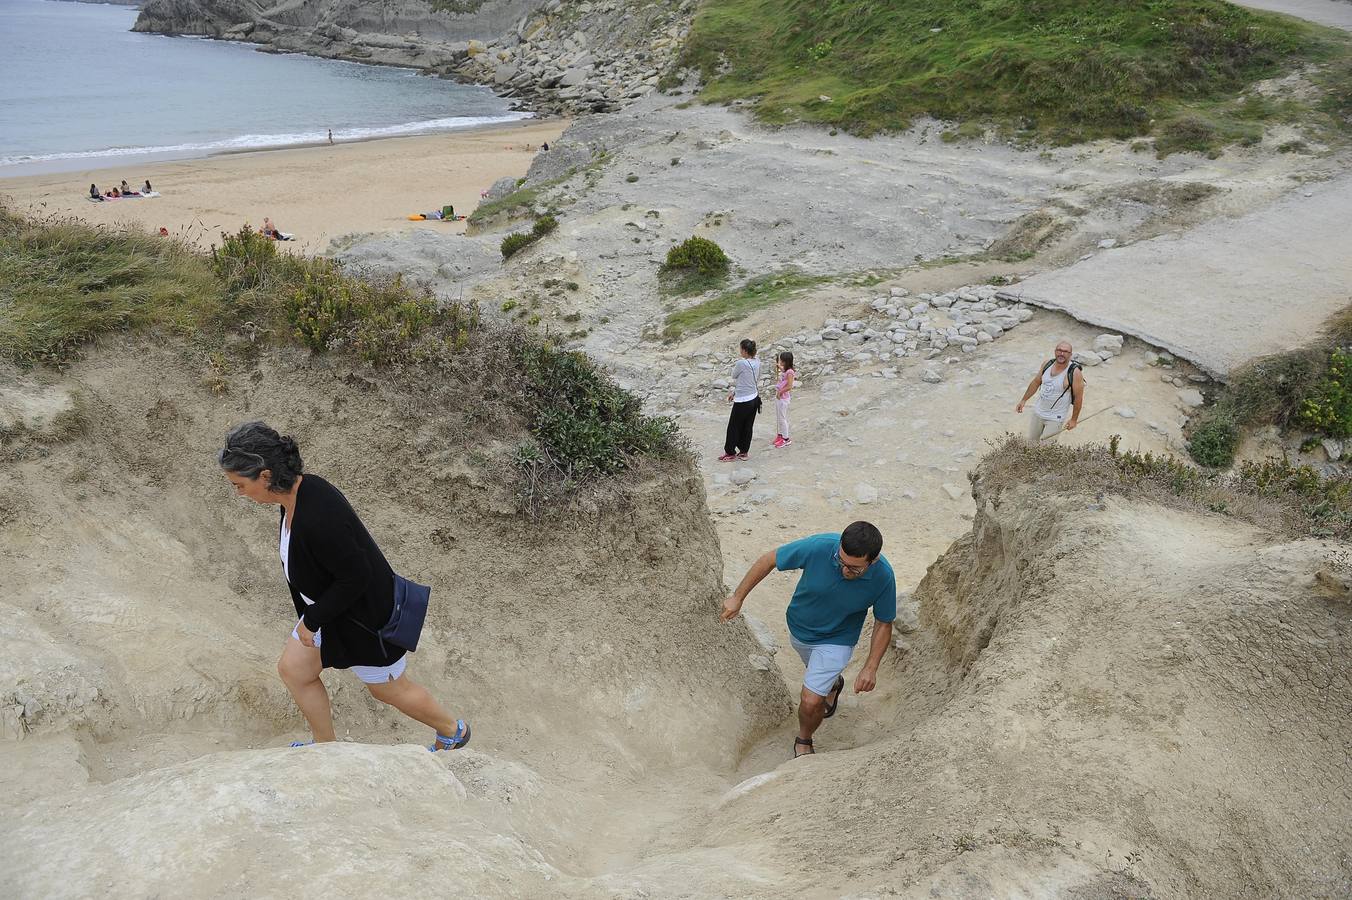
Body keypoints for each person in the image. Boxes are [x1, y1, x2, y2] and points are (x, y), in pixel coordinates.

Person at [218, 421, 471, 751]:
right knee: (294, 670)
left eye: (238, 484)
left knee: (388, 688)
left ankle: (453, 730)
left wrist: (311, 621)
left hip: (365, 622)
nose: (237, 493)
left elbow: (356, 576)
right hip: (331, 614)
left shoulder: (317, 516)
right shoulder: (299, 496)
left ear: (265, 476)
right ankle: (326, 749)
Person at [721, 521, 896, 758]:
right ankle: (833, 683)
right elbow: (769, 559)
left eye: (854, 569)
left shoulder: (884, 576)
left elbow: (884, 622)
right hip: (799, 630)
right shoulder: (820, 547)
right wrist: (737, 597)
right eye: (841, 562)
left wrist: (870, 667)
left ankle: (804, 739)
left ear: (872, 561)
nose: (845, 570)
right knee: (816, 673)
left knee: (811, 700)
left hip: (837, 639)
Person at [1016, 340, 1084, 442]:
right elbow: (1036, 382)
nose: (1061, 353)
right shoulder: (1047, 364)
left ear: (1070, 354)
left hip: (1055, 418)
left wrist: (1074, 420)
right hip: (1038, 412)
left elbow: (1078, 397)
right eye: (1059, 350)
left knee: (1046, 450)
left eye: (1065, 351)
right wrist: (1023, 400)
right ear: (1055, 351)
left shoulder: (1074, 372)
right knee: (1031, 444)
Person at [718, 338, 761, 462]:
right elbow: (753, 378)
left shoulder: (741, 363)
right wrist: (735, 392)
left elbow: (734, 375)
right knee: (747, 426)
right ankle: (744, 451)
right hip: (754, 397)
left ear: (745, 350)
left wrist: (738, 392)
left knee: (734, 426)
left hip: (743, 400)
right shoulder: (758, 362)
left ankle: (730, 452)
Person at [772, 350, 795, 448]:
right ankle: (780, 435)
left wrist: (780, 392)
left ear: (785, 362)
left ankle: (786, 439)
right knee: (779, 418)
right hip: (779, 397)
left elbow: (789, 386)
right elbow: (783, 372)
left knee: (782, 418)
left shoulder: (790, 372)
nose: (780, 362)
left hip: (783, 398)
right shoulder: (786, 370)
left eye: (781, 361)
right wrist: (779, 367)